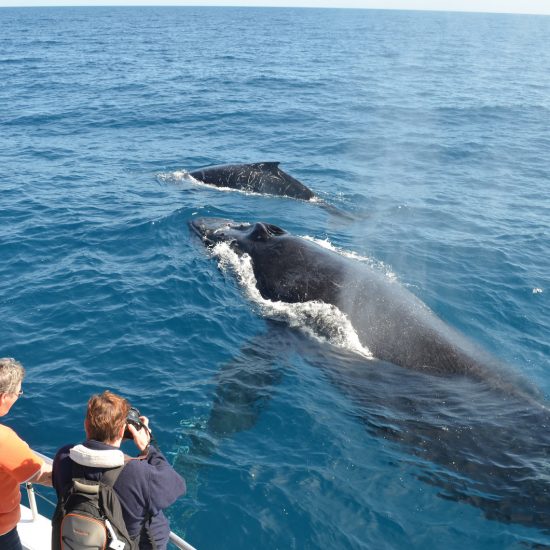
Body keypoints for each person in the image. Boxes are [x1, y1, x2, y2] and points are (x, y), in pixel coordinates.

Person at [52, 390, 186, 550]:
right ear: (122, 431)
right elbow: (177, 485)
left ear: (86, 425)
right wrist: (148, 448)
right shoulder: (137, 473)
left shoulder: (63, 457)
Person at [0, 357, 53, 550]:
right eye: (17, 392)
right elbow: (44, 476)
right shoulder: (4, 440)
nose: (17, 397)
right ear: (4, 396)